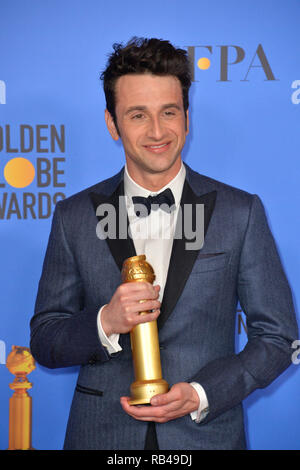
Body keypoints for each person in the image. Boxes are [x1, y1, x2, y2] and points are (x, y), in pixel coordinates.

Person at [30, 37, 298, 450]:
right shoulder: (74, 217)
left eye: (169, 112)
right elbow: (46, 339)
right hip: (102, 438)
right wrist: (105, 322)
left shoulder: (239, 212)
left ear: (187, 118)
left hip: (207, 438)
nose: (157, 131)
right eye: (138, 115)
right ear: (111, 123)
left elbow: (277, 338)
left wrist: (202, 393)